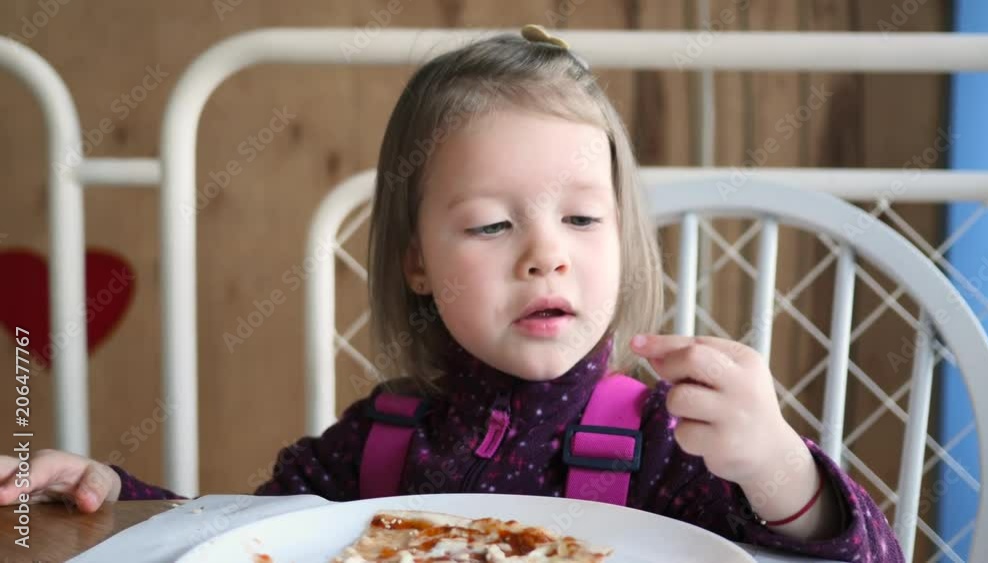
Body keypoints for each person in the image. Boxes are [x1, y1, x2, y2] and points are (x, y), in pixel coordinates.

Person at [0, 25, 903, 562]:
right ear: (416, 261)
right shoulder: (380, 438)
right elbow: (249, 538)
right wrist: (118, 487)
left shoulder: (678, 440)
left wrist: (778, 468)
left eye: (584, 221)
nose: (546, 256)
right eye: (490, 226)